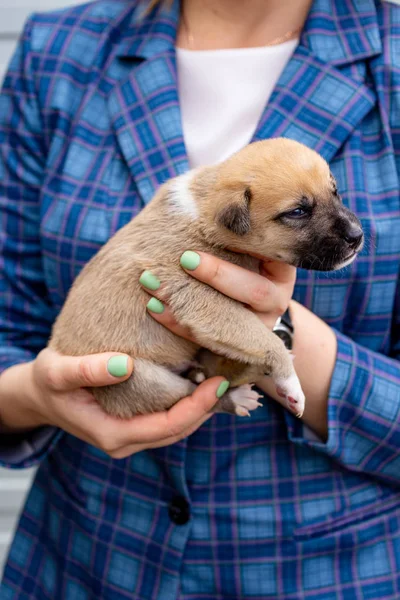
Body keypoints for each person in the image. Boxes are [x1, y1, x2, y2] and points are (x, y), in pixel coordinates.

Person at [0, 0, 399, 597]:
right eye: (300, 214)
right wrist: (35, 394)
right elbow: (8, 325)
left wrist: (282, 342)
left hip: (326, 573)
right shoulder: (59, 50)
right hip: (90, 560)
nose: (349, 230)